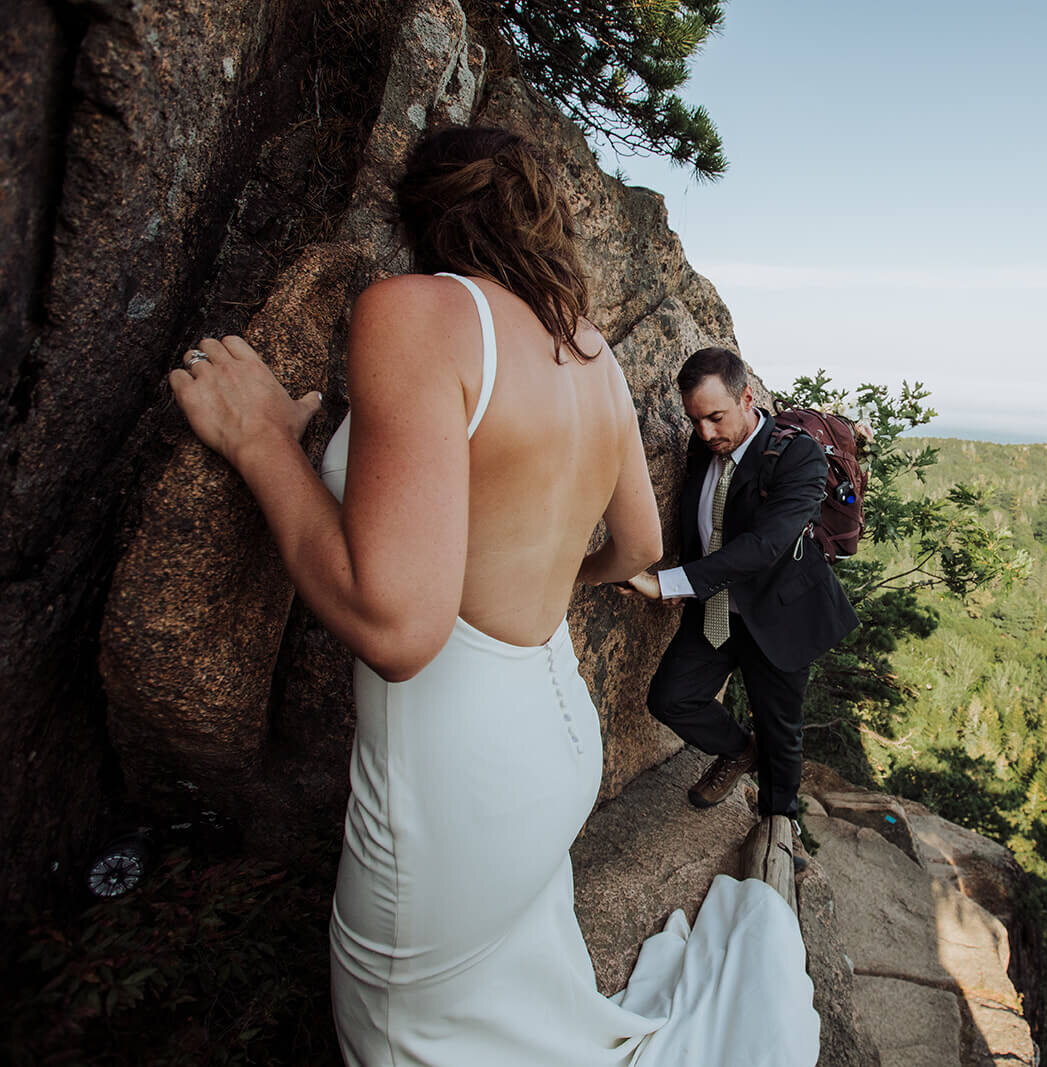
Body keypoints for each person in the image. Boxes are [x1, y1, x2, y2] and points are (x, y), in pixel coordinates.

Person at [170, 126, 819, 1065]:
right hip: (553, 736)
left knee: (398, 1029)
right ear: (546, 224)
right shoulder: (587, 353)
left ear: (418, 218)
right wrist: (553, 575)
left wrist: (264, 443)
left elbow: (399, 629)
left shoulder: (414, 312)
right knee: (495, 996)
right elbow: (637, 544)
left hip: (456, 773)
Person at [626, 349, 859, 828]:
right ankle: (739, 751)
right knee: (671, 698)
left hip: (779, 611)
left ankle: (780, 825)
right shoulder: (703, 447)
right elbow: (706, 522)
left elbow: (764, 545)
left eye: (715, 417)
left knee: (781, 728)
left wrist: (667, 583)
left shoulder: (799, 456)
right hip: (716, 609)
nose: (706, 432)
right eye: (696, 421)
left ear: (747, 397)